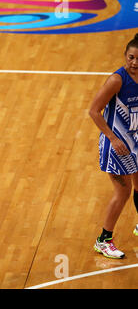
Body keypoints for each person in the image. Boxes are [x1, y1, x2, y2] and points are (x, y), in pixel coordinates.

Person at [89, 33, 138, 259]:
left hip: (135, 141)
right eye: (131, 57)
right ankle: (103, 240)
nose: (134, 62)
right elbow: (93, 111)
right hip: (116, 145)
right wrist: (113, 138)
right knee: (123, 192)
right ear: (125, 56)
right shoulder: (117, 80)